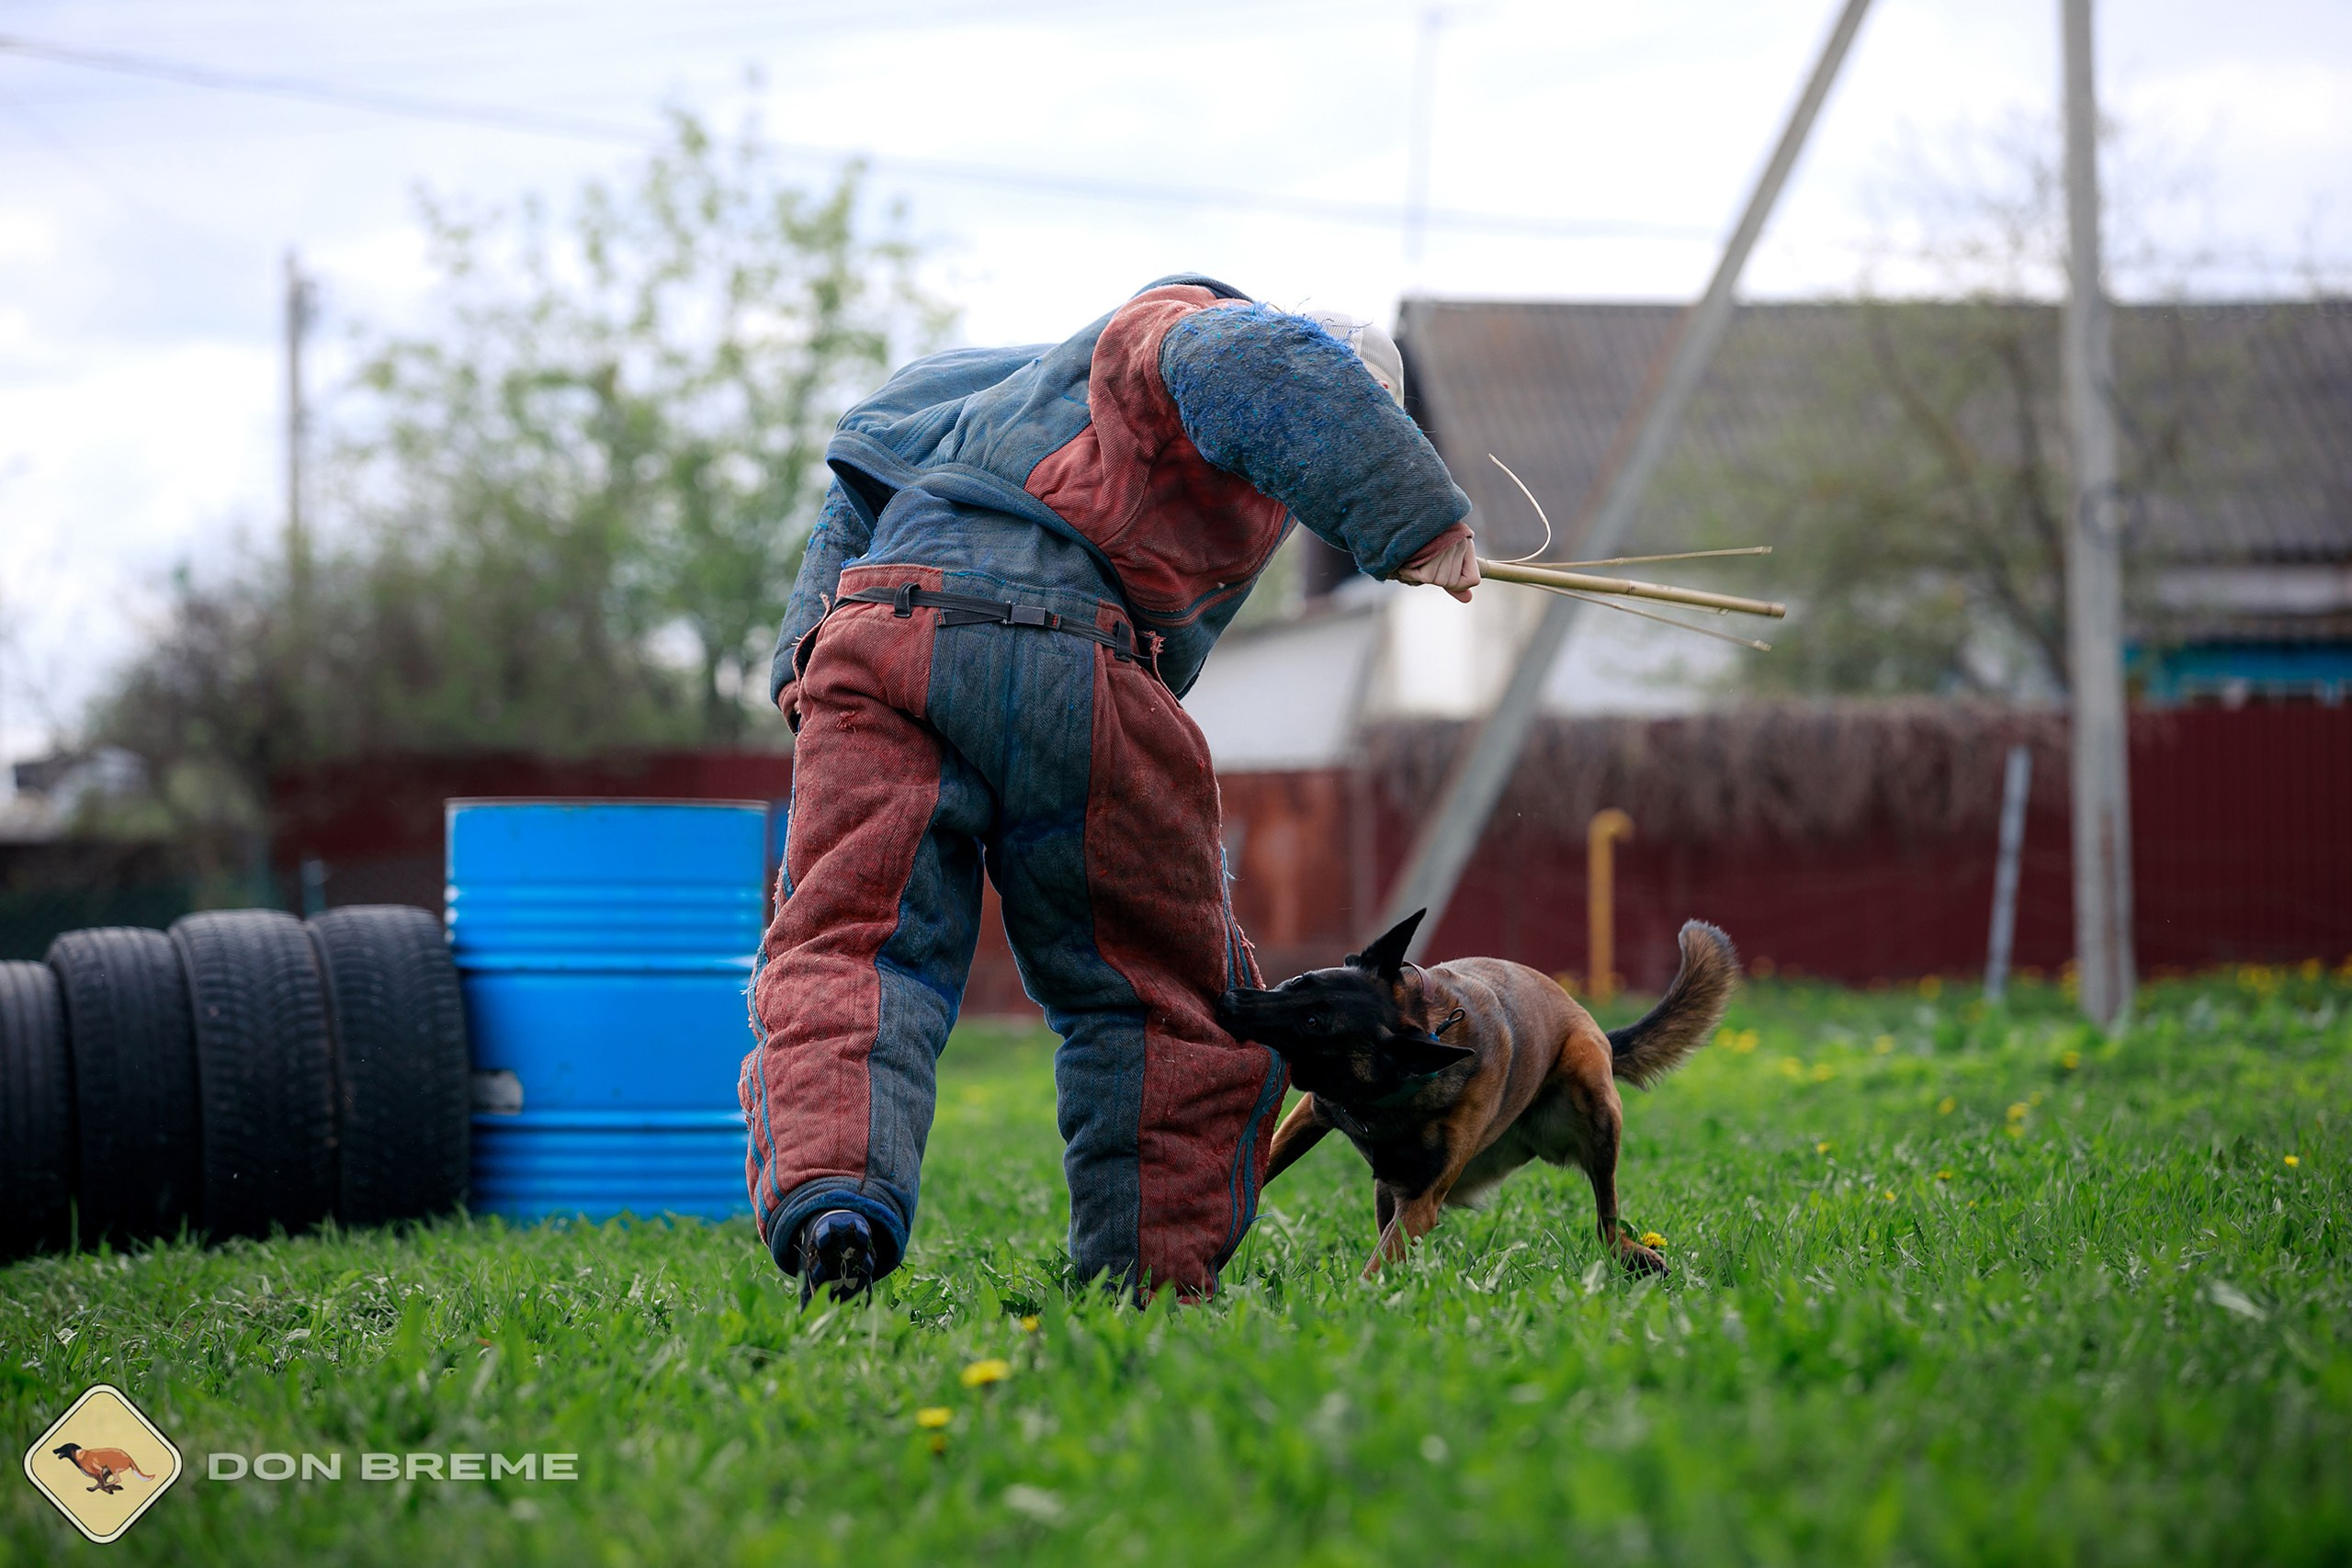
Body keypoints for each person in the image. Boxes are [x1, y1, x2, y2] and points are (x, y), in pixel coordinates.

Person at [739, 274, 1480, 1303]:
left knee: (847, 946)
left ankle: (833, 1203)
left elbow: (853, 493)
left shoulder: (965, 396)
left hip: (869, 648)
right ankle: (1151, 1275)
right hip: (1065, 647)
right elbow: (1264, 365)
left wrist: (796, 667)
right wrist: (1414, 521)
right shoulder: (1188, 340)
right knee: (1157, 988)